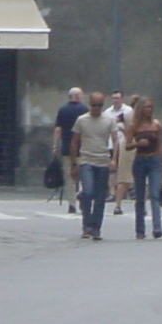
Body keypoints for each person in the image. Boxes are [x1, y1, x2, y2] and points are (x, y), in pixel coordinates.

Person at [70, 90, 122, 240]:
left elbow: (116, 140)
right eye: (94, 105)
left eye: (100, 105)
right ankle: (86, 224)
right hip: (86, 160)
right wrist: (74, 163)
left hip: (103, 161)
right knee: (88, 192)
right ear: (89, 104)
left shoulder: (109, 120)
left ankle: (95, 228)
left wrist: (114, 159)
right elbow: (74, 142)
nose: (97, 108)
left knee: (100, 196)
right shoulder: (82, 120)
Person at [129, 96, 162, 240]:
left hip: (154, 160)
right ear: (140, 109)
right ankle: (140, 229)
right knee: (140, 196)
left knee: (155, 194)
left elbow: (160, 144)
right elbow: (127, 145)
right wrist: (138, 144)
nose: (149, 110)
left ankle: (157, 227)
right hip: (139, 160)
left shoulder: (156, 125)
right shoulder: (134, 126)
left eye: (150, 107)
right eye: (146, 107)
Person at [54, 87, 89, 215]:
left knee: (69, 177)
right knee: (84, 175)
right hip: (82, 148)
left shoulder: (62, 110)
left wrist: (55, 145)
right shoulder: (85, 110)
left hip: (67, 148)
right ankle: (83, 197)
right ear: (78, 96)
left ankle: (72, 204)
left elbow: (58, 129)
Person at [110, 91, 134, 206]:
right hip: (123, 144)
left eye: (117, 98)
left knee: (124, 174)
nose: (115, 100)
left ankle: (120, 200)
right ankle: (116, 197)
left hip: (127, 144)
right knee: (121, 173)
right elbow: (112, 122)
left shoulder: (127, 112)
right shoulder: (126, 114)